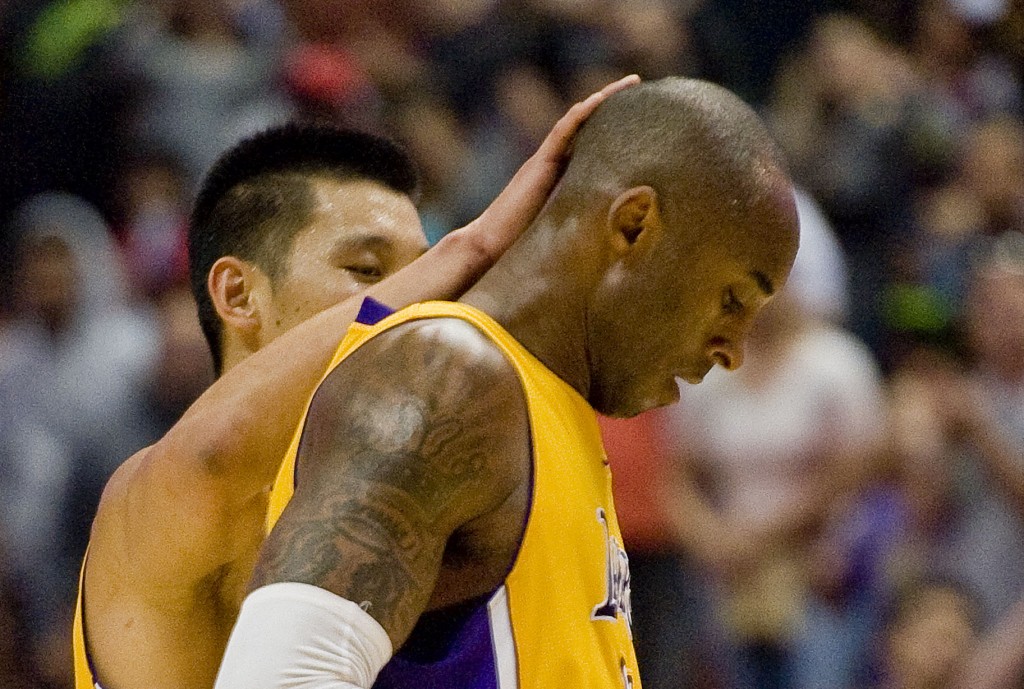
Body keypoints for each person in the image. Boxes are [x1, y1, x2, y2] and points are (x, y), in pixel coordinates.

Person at [214, 77, 801, 689]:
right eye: (732, 300)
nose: (732, 351)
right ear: (633, 225)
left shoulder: (539, 405)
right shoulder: (449, 377)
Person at [73, 75, 639, 689]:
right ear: (238, 295)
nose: (427, 300)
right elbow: (216, 452)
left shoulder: (409, 476)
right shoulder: (152, 498)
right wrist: (469, 248)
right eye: (367, 270)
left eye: (421, 269)